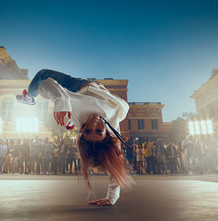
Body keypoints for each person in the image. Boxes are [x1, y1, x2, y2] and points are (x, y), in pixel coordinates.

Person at [17, 69, 133, 205]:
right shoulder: (112, 124)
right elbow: (116, 160)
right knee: (70, 118)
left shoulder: (72, 106)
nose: (94, 124)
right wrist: (112, 198)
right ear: (106, 134)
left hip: (78, 87)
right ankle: (70, 123)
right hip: (98, 88)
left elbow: (45, 84)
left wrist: (61, 100)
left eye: (88, 130)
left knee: (42, 74)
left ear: (82, 131)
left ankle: (28, 98)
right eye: (99, 131)